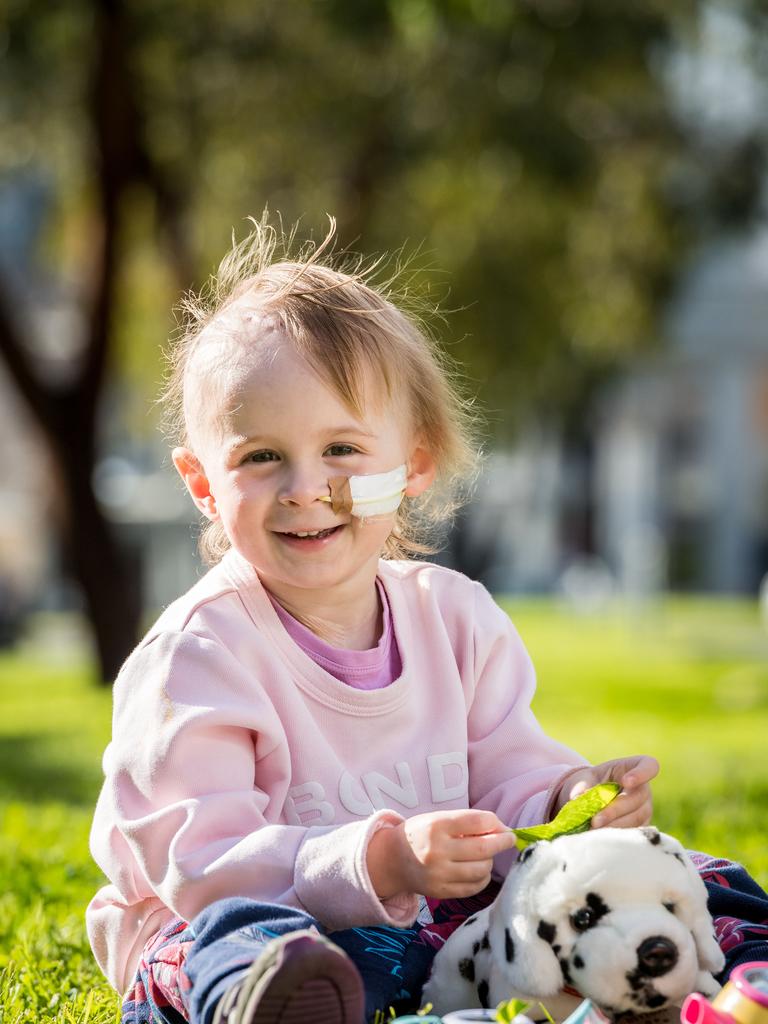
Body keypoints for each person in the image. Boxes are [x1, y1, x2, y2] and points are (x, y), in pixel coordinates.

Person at [86, 218, 766, 1024]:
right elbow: (199, 866)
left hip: (431, 924)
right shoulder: (199, 656)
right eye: (260, 457)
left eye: (342, 448)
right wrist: (382, 858)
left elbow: (507, 769)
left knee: (672, 868)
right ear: (202, 482)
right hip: (248, 919)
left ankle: (740, 971)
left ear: (412, 463)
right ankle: (287, 1006)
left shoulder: (452, 618)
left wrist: (565, 795)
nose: (307, 488)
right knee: (235, 943)